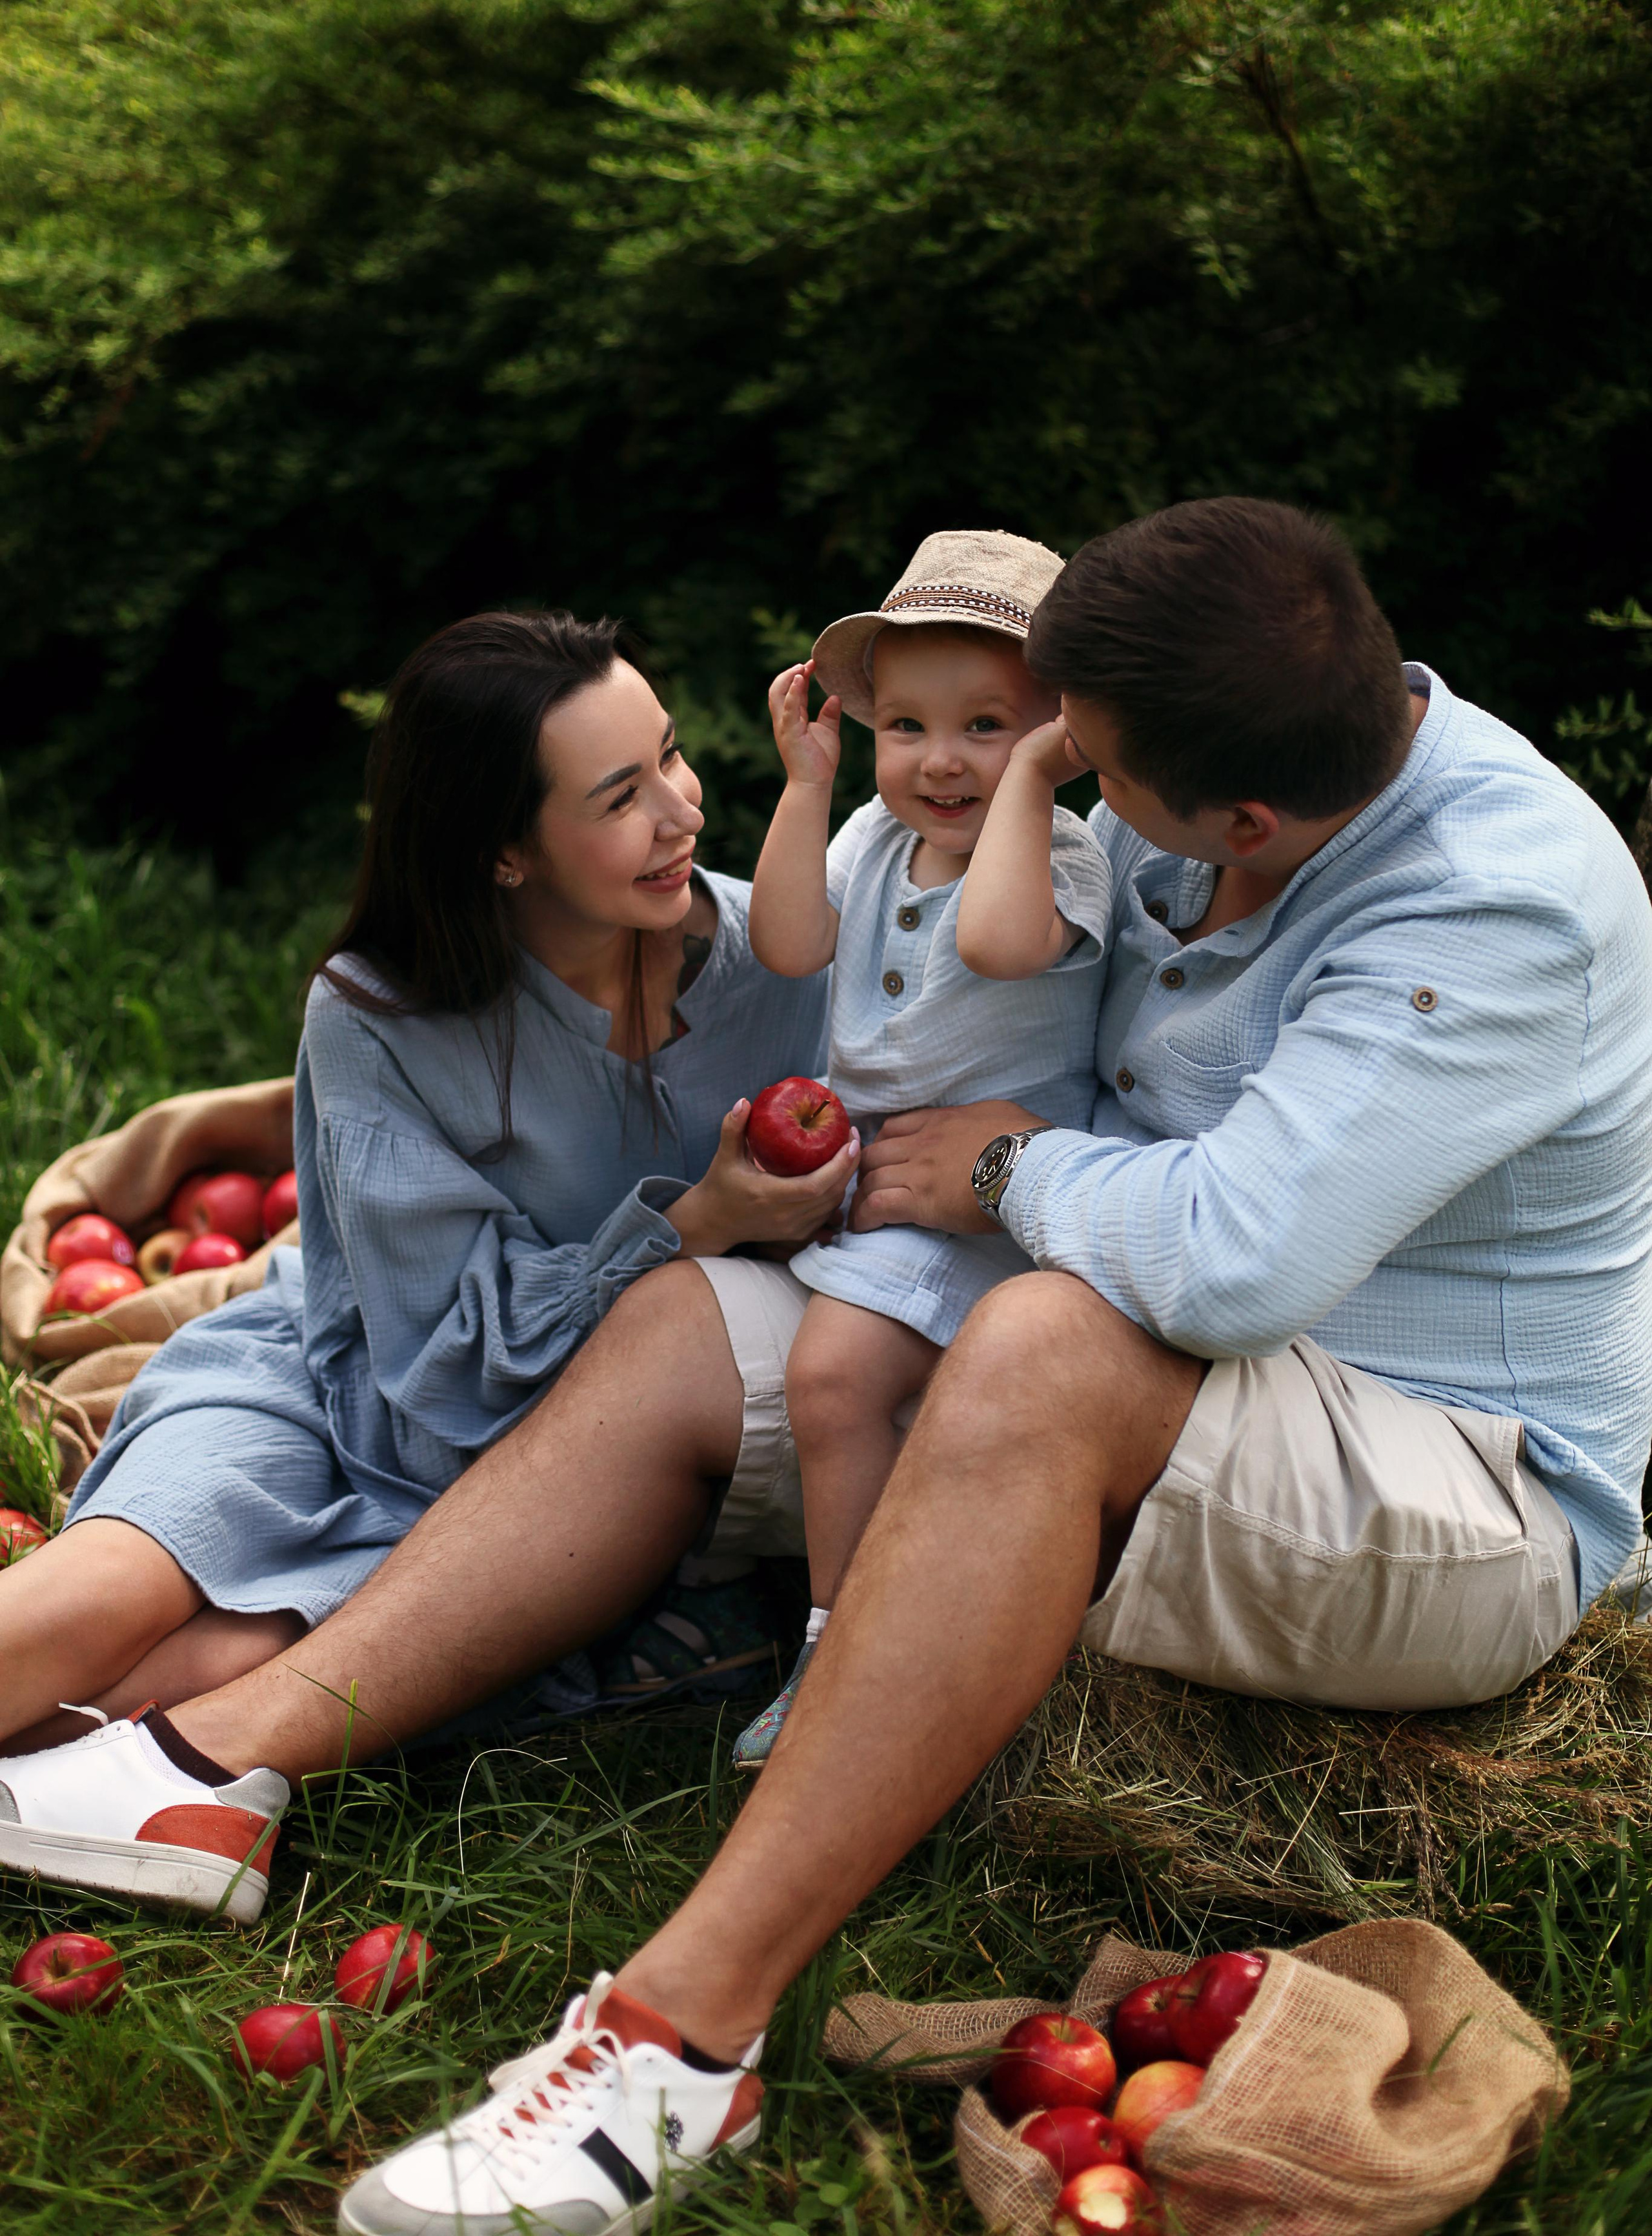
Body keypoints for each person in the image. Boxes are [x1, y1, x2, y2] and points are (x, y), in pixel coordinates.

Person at [3, 499, 1648, 2236]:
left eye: (1094, 772)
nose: (1056, 783)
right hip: (1132, 1326)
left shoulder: (1494, 908)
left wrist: (1014, 1168)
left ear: (1242, 819)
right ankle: (216, 1768)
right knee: (697, 1313)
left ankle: (674, 2043)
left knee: (1038, 1345)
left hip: (1445, 1472)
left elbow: (1235, 1268)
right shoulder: (1225, 762)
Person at [0, 607, 851, 1914]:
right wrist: (693, 1224)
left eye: (670, 759)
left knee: (182, 1680)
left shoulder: (784, 970)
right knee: (84, 1602)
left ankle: (113, 1798)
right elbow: (445, 1358)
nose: (683, 813)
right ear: (503, 850)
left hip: (542, 1486)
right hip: (343, 1388)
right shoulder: (379, 1012)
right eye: (621, 795)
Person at [736, 530, 1112, 1763]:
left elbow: (1002, 947)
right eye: (905, 727)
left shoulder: (1061, 857)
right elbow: (788, 946)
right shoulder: (870, 839)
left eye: (989, 727)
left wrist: (1039, 788)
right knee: (850, 1390)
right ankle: (861, 1629)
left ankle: (837, 1655)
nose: (940, 762)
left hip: (987, 1203)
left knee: (834, 1378)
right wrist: (806, 787)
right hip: (871, 1184)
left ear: (1064, 732)